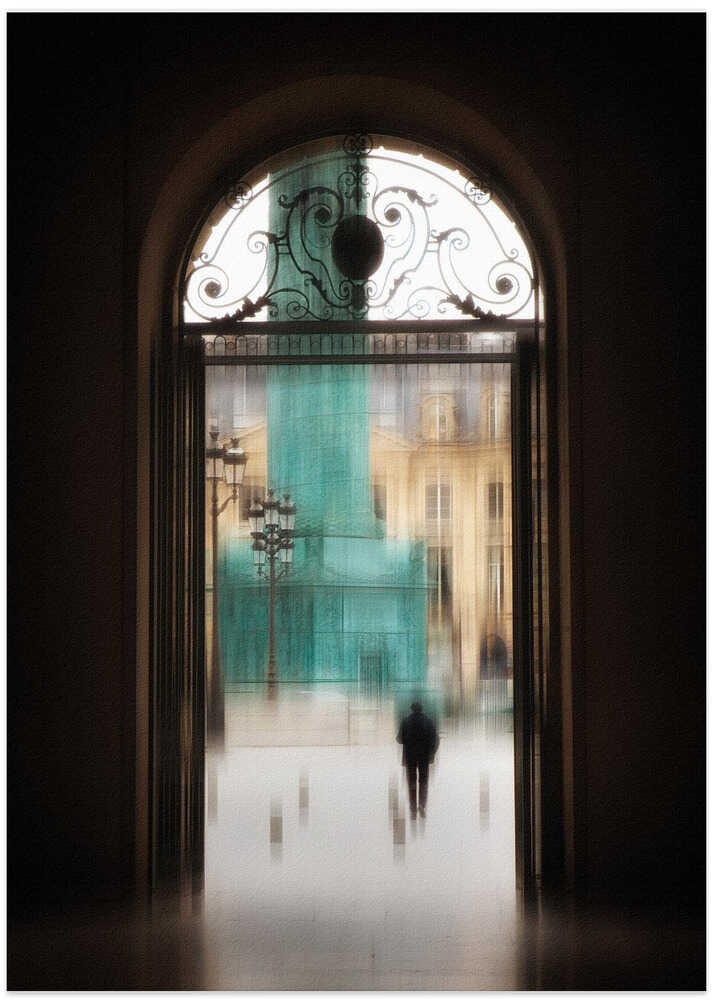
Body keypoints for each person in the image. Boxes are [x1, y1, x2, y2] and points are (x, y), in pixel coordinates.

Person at [396, 701, 439, 818]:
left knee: (412, 781)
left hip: (410, 756)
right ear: (422, 709)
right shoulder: (429, 721)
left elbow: (399, 739)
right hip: (424, 756)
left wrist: (408, 740)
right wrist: (432, 754)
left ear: (412, 709)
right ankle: (422, 805)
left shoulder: (406, 721)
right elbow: (435, 739)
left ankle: (413, 807)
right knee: (423, 781)